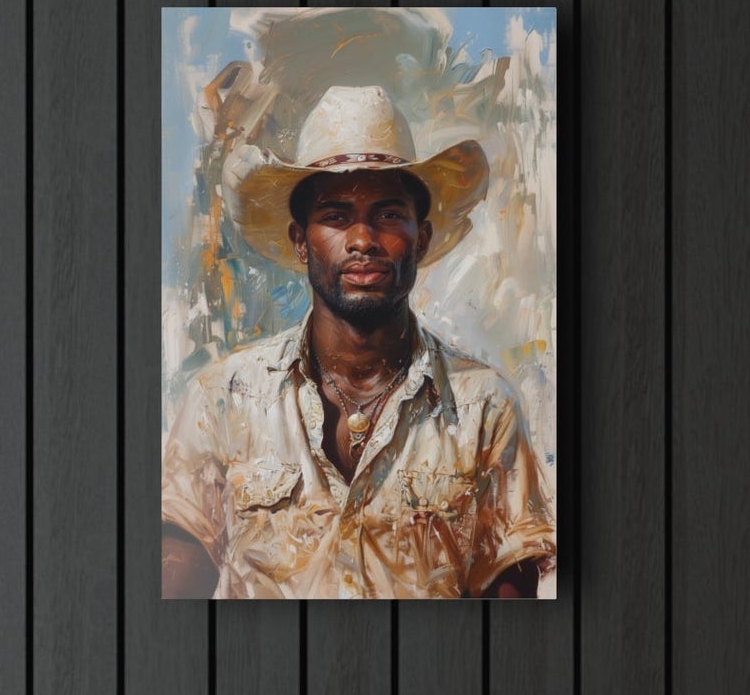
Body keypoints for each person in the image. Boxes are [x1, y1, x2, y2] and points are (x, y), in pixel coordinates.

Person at [161, 85, 556, 601]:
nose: (364, 239)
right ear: (301, 240)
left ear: (423, 238)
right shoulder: (222, 399)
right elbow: (169, 606)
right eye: (336, 216)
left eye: (389, 215)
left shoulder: (485, 407)